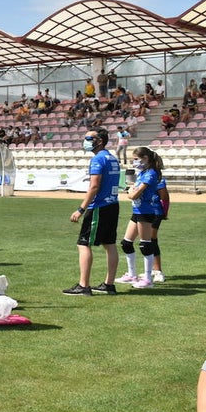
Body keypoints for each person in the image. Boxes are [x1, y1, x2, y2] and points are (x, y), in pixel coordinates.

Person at [63, 127, 121, 296]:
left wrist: (81, 209)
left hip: (99, 206)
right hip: (112, 205)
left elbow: (94, 186)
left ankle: (84, 286)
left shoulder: (97, 160)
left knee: (83, 244)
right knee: (109, 244)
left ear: (100, 141)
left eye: (89, 138)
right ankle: (109, 285)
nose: (86, 141)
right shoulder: (112, 158)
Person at [114, 147, 164, 288]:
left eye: (136, 159)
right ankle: (132, 275)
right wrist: (132, 190)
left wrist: (131, 191)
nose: (134, 162)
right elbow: (134, 191)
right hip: (137, 211)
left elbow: (134, 194)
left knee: (145, 244)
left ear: (146, 158)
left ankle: (148, 279)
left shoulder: (151, 174)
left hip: (146, 211)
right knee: (126, 243)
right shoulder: (142, 173)